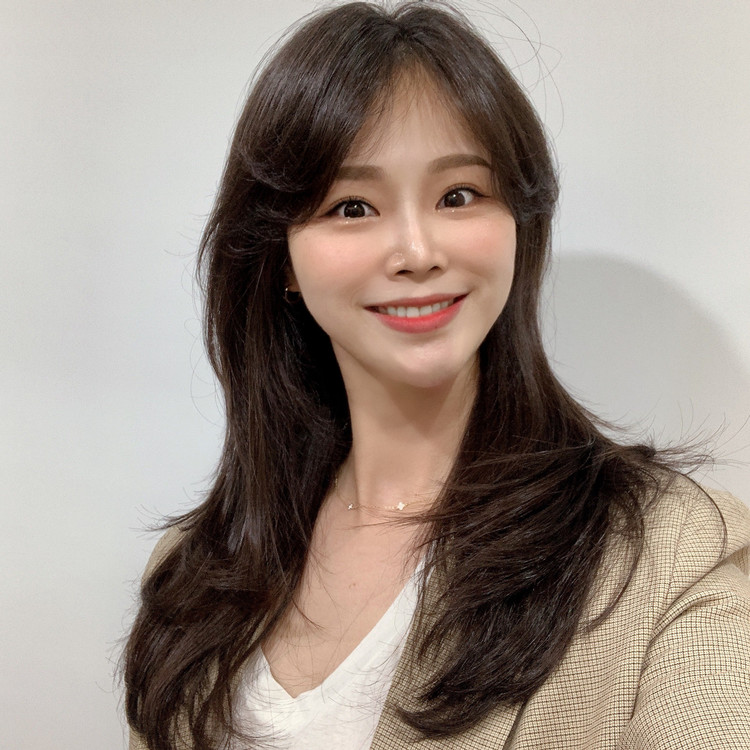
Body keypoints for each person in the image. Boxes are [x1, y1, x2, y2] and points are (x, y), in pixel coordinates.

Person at [123, 2, 750, 748]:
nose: (417, 252)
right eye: (351, 207)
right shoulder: (192, 574)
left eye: (459, 196)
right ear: (281, 259)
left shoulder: (666, 553)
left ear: (517, 226)